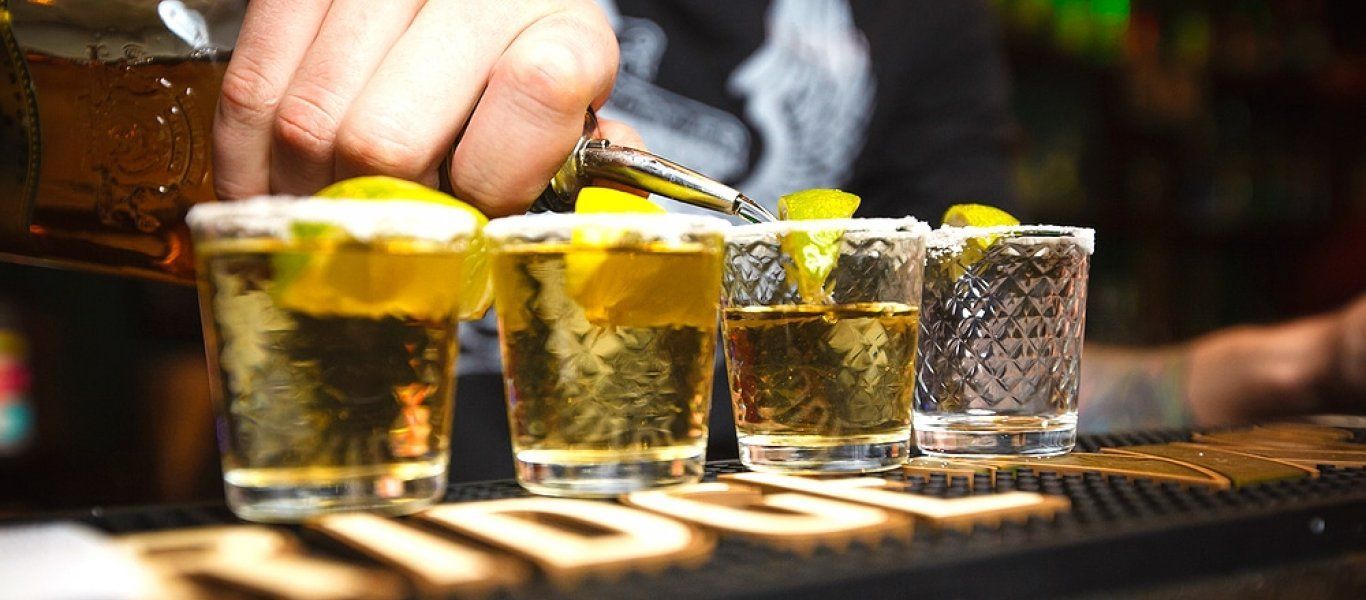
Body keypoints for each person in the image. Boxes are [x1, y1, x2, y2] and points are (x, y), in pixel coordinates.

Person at [214, 0, 1364, 478]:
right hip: (343, 516)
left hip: (734, 546)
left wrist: (1297, 363)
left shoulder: (919, 20)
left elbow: (967, 385)